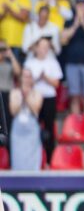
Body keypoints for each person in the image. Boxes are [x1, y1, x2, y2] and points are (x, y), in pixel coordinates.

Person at [22, 35, 62, 163]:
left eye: (47, 47)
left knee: (49, 129)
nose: (45, 49)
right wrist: (36, 79)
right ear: (36, 48)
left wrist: (45, 78)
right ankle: (32, 159)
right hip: (32, 99)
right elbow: (25, 82)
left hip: (49, 98)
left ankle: (50, 160)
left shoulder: (53, 62)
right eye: (42, 46)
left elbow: (57, 83)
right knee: (32, 128)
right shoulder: (29, 63)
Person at [8, 70, 43, 170]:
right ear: (21, 78)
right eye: (25, 76)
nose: (27, 79)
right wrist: (21, 97)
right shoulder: (14, 92)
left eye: (29, 77)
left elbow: (36, 109)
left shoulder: (37, 93)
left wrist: (27, 96)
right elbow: (13, 111)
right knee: (18, 154)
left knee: (32, 155)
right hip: (18, 128)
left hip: (31, 128)